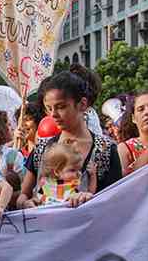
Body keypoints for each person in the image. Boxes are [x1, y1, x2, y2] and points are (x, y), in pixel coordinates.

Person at [19, 72, 122, 209]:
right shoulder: (42, 148)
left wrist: (90, 199)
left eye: (61, 107)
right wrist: (26, 203)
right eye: (49, 108)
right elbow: (23, 196)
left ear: (82, 104)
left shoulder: (106, 150)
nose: (53, 115)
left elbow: (116, 203)